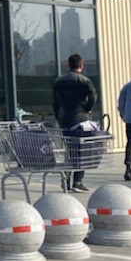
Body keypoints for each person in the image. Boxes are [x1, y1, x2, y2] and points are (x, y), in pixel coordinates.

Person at [52, 54, 98, 192]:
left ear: (68, 65)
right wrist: (87, 108)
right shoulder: (84, 81)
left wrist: (58, 116)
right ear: (81, 66)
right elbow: (93, 96)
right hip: (80, 118)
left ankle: (66, 177)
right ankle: (77, 181)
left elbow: (55, 102)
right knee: (81, 150)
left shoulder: (59, 81)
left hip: (65, 118)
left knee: (69, 149)